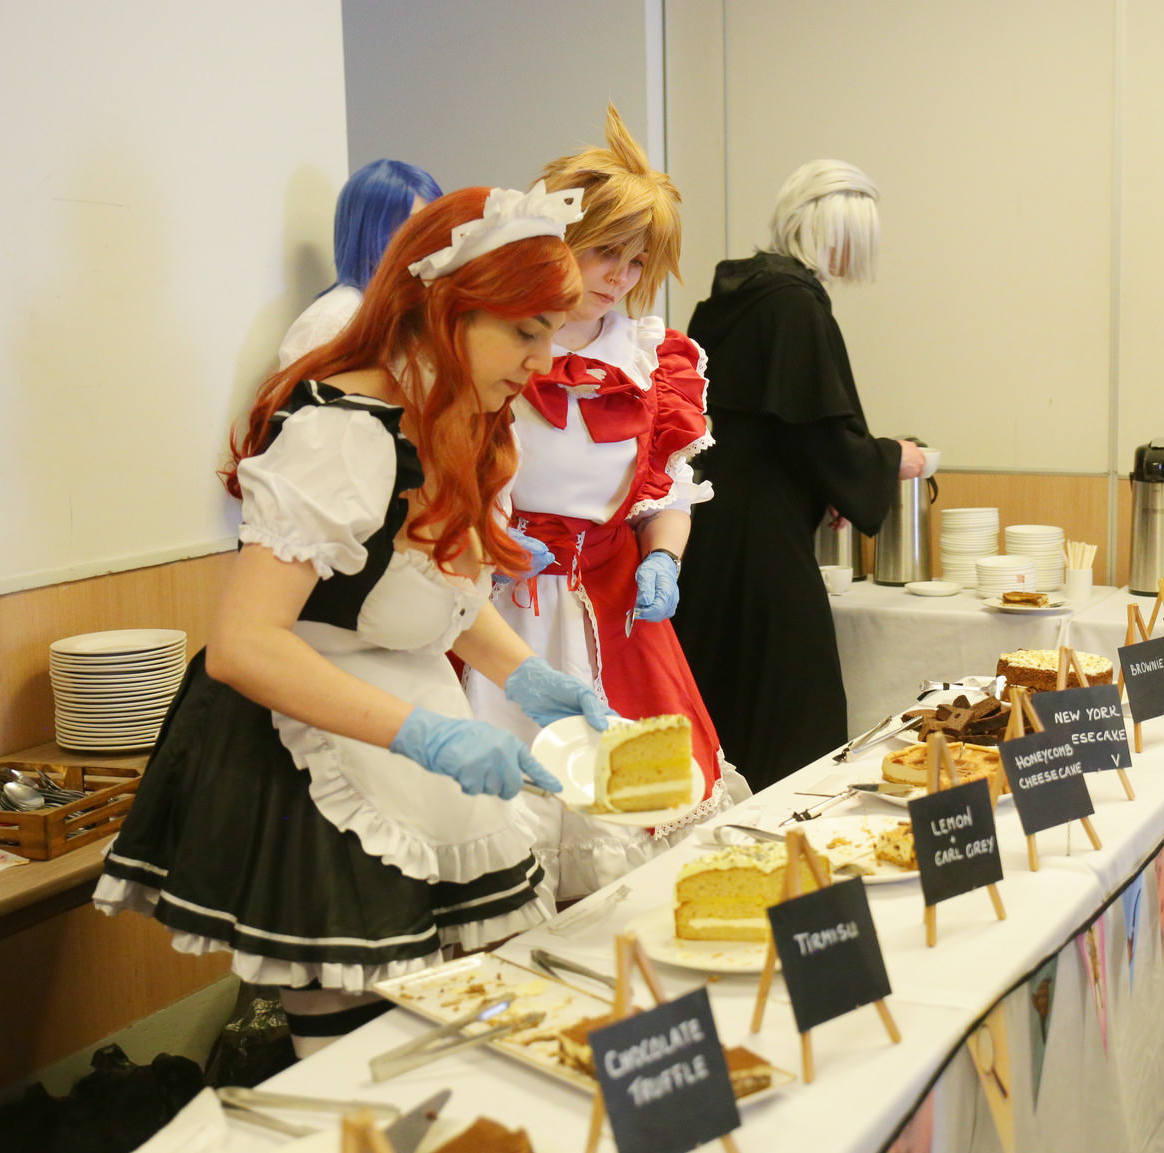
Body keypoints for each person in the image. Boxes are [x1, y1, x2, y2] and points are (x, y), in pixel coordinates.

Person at [95, 184, 610, 1054]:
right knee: (352, 1030)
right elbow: (243, 646)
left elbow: (427, 592)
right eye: (526, 331)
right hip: (307, 736)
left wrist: (526, 676)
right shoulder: (343, 433)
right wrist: (426, 737)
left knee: (448, 1013)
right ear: (444, 309)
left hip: (404, 713)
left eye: (552, 333)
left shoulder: (463, 416)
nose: (542, 360)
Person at [465, 107, 745, 898]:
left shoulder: (652, 358)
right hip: (502, 608)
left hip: (614, 610)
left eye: (636, 259)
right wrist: (492, 544)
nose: (619, 275)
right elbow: (449, 477)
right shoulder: (496, 341)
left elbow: (666, 490)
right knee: (501, 827)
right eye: (604, 251)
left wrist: (664, 559)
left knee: (633, 821)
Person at [674, 160, 926, 791]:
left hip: (714, 523)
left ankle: (723, 817)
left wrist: (826, 484)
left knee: (726, 682)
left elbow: (774, 425)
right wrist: (891, 458)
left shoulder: (741, 295)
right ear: (834, 232)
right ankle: (785, 824)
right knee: (796, 699)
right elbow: (818, 431)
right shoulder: (793, 303)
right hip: (764, 537)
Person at [277, 158, 444, 368]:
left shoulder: (427, 311)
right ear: (368, 231)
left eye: (434, 224)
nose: (429, 239)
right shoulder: (334, 320)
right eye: (411, 227)